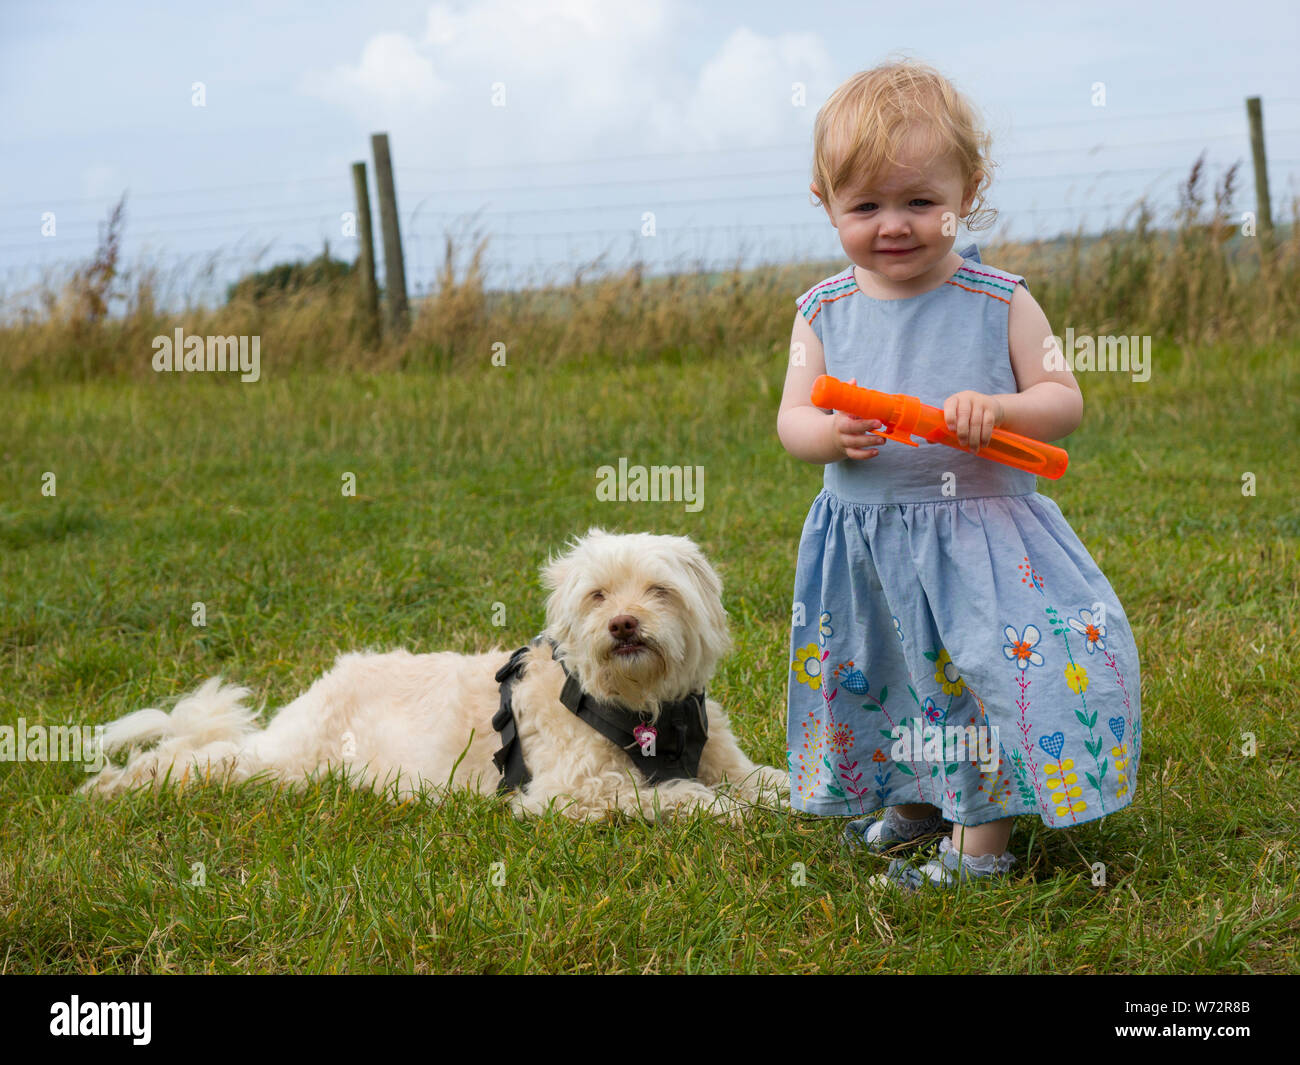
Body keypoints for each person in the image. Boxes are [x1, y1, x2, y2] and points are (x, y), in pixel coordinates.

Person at [777, 60, 1142, 892]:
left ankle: (981, 851)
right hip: (867, 548)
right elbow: (791, 419)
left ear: (968, 191)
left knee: (978, 678)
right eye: (865, 206)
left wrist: (1002, 410)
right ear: (824, 202)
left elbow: (1063, 399)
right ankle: (913, 796)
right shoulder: (822, 310)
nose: (894, 225)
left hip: (977, 541)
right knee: (891, 673)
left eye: (919, 201)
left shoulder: (1000, 298)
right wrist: (828, 433)